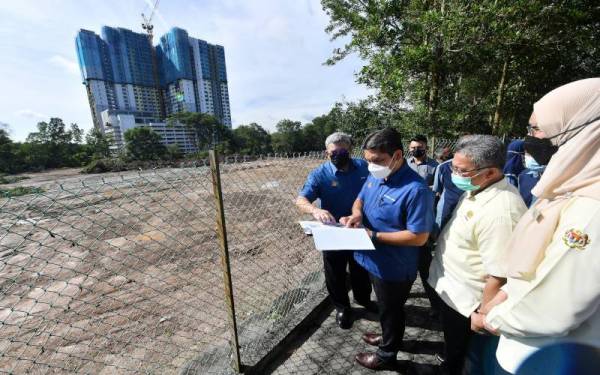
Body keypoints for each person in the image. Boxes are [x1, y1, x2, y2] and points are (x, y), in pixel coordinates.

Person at [482, 78, 600, 374]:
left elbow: (557, 306)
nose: (530, 138)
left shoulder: (591, 207)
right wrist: (506, 293)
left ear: (578, 131)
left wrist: (491, 318)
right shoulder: (572, 185)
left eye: (536, 129)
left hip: (546, 357)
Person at [427, 135, 527, 375]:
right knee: (453, 346)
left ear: (491, 172)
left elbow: (500, 274)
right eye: (453, 166)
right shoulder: (478, 187)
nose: (454, 174)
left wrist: (483, 315)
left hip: (469, 304)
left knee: (465, 356)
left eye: (461, 170)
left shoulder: (501, 212)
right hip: (452, 291)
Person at [340, 128, 434, 370]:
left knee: (392, 311)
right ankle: (388, 336)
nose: (371, 166)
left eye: (377, 160)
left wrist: (373, 235)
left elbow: (418, 236)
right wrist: (357, 215)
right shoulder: (376, 175)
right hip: (372, 259)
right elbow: (359, 199)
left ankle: (386, 354)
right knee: (385, 306)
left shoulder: (416, 190)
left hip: (394, 266)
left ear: (398, 155)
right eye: (368, 160)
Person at [296, 132, 374, 330]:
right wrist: (315, 210)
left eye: (343, 151)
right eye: (333, 152)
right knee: (335, 272)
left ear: (349, 150)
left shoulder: (364, 167)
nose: (338, 154)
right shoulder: (320, 174)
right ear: (326, 153)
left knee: (362, 267)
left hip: (359, 228)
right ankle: (342, 308)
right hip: (333, 232)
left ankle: (364, 299)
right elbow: (301, 200)